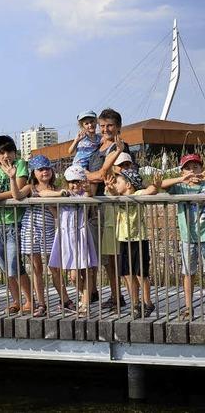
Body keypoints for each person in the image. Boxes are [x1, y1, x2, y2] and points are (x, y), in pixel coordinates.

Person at [9, 154, 72, 316]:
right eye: (40, 169)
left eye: (47, 168)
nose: (45, 172)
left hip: (49, 230)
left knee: (55, 268)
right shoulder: (31, 188)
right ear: (34, 173)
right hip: (30, 230)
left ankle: (65, 299)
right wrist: (12, 178)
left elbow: (57, 214)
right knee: (36, 268)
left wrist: (52, 201)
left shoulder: (58, 189)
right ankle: (41, 304)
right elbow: (17, 195)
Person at [86, 108, 129, 310]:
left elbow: (102, 174)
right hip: (96, 210)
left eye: (109, 125)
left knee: (114, 256)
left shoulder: (120, 148)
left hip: (111, 209)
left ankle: (119, 296)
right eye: (102, 126)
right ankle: (111, 294)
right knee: (103, 257)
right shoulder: (96, 149)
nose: (105, 129)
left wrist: (85, 174)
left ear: (118, 127)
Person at [0, 135, 32, 314]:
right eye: (0, 152)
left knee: (14, 264)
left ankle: (29, 300)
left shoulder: (19, 165)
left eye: (8, 151)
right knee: (5, 266)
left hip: (13, 222)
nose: (5, 156)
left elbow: (17, 191)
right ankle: (16, 300)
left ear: (14, 152)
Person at [106, 169, 161, 318]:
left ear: (129, 184)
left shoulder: (136, 195)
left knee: (140, 274)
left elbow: (149, 191)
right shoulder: (118, 196)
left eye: (119, 182)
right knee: (127, 274)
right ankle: (135, 303)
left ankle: (147, 302)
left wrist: (155, 186)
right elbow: (113, 194)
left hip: (138, 239)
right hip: (123, 240)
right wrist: (111, 188)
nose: (116, 185)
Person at [48, 165, 97, 317]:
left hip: (80, 234)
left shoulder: (84, 196)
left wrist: (88, 188)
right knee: (73, 276)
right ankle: (84, 294)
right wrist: (55, 199)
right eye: (71, 182)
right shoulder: (63, 195)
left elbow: (89, 196)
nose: (74, 185)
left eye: (77, 181)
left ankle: (85, 304)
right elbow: (44, 195)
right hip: (65, 235)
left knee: (86, 270)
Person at [161, 153, 205, 319]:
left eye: (195, 167)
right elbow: (161, 185)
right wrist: (181, 179)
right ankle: (188, 307)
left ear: (201, 168)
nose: (192, 171)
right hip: (188, 237)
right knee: (188, 273)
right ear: (182, 171)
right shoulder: (181, 187)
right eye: (187, 168)